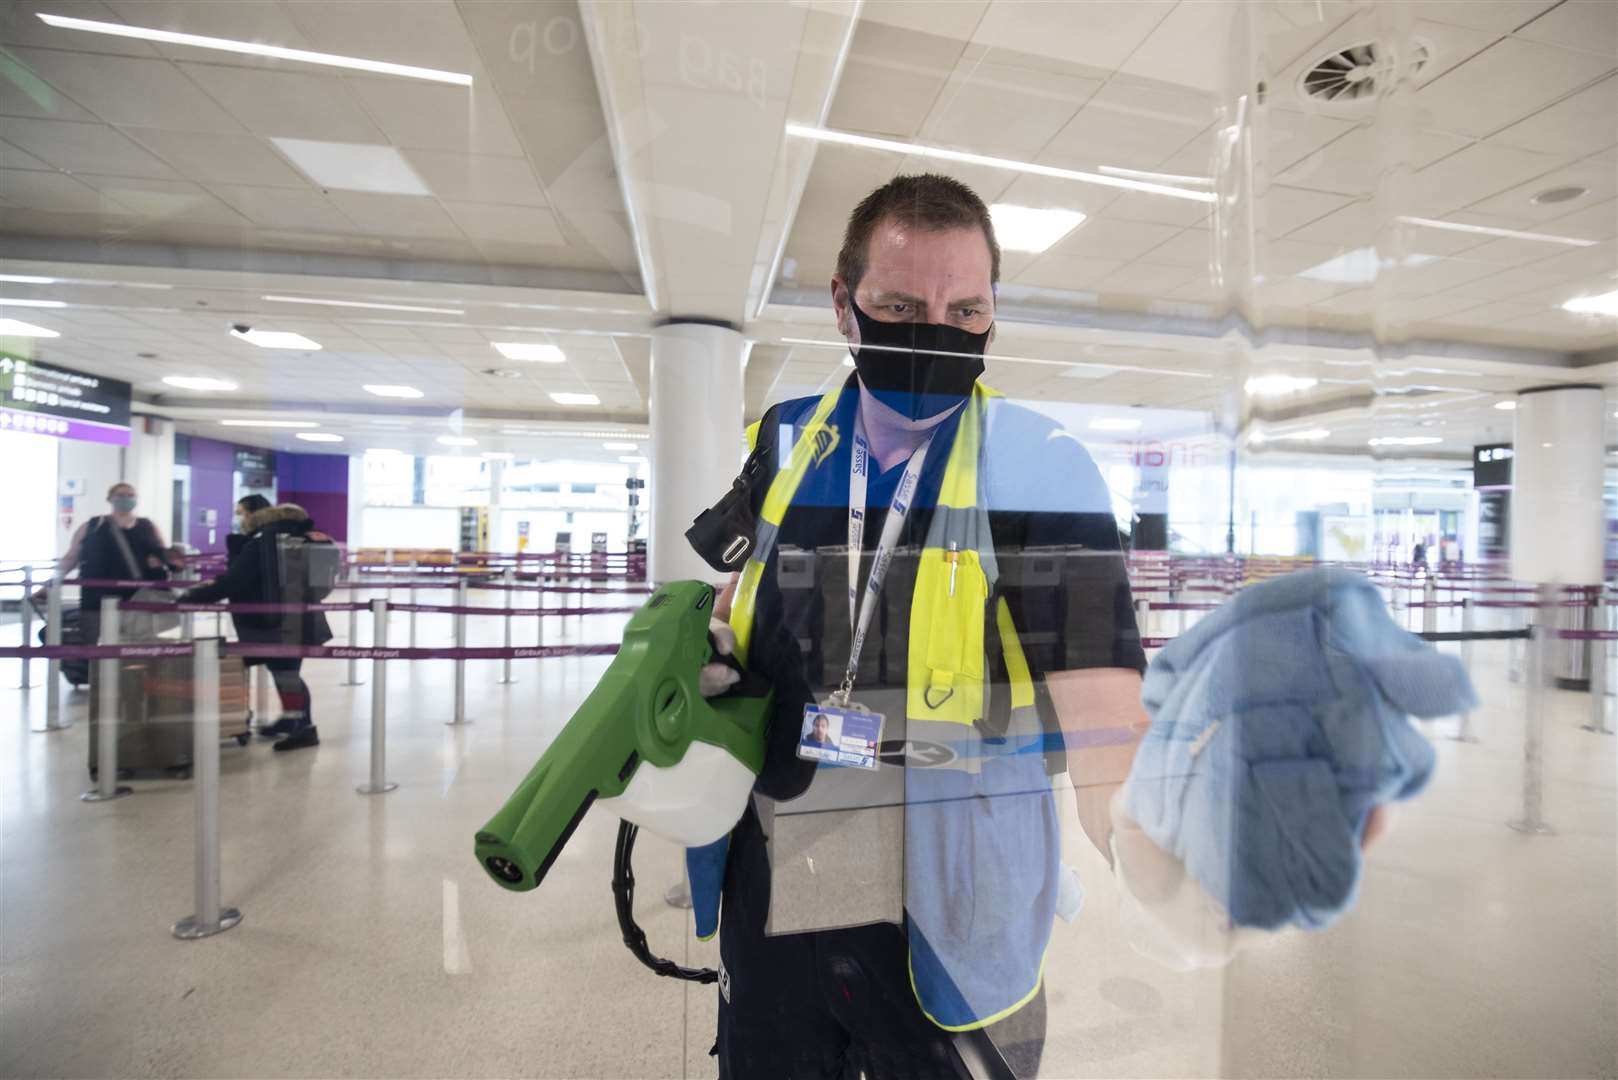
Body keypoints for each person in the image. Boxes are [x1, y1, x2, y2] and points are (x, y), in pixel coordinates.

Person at [693, 174, 1154, 1078]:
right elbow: (741, 594)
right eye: (903, 305)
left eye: (966, 308)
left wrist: (1154, 838)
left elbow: (1107, 709)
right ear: (843, 304)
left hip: (950, 896)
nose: (936, 329)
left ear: (992, 312)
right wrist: (714, 649)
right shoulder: (788, 435)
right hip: (778, 871)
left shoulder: (1039, 465)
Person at [181, 502, 333, 752]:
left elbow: (234, 582)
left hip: (271, 622)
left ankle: (304, 728)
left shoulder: (262, 543)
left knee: (286, 675)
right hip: (303, 619)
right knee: (288, 673)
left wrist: (190, 599)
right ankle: (293, 720)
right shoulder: (306, 540)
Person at [47, 482, 182, 643]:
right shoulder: (93, 525)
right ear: (110, 499)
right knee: (94, 648)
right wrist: (50, 584)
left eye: (130, 495)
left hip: (139, 600)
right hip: (97, 601)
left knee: (134, 648)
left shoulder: (148, 526)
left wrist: (167, 561)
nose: (126, 499)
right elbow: (71, 558)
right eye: (121, 495)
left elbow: (162, 554)